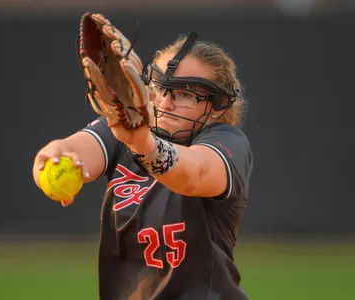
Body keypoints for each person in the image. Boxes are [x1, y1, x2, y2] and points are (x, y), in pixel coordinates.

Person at [33, 32, 253, 300]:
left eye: (184, 93)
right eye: (160, 87)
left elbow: (195, 174)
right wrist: (56, 153)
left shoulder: (227, 141)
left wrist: (142, 144)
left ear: (217, 106)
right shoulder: (125, 131)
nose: (165, 102)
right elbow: (76, 150)